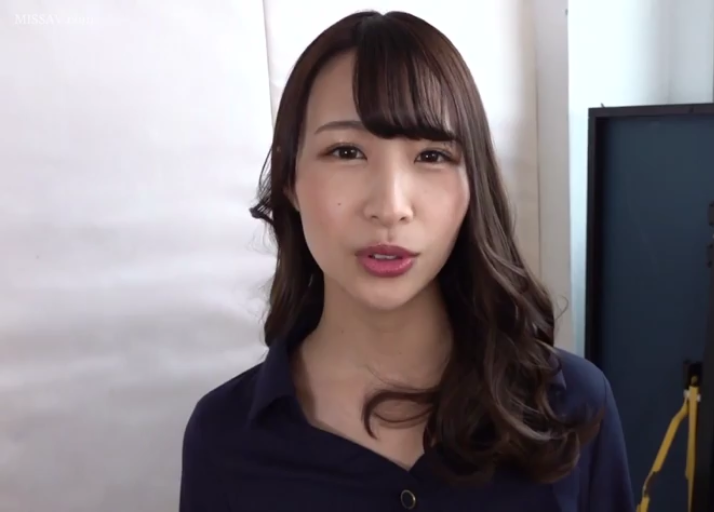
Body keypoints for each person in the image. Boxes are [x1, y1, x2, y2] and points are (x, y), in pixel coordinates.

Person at [179, 10, 634, 512]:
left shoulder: (571, 407)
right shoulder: (223, 439)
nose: (391, 206)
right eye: (346, 152)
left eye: (432, 155)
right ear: (290, 180)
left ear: (473, 185)